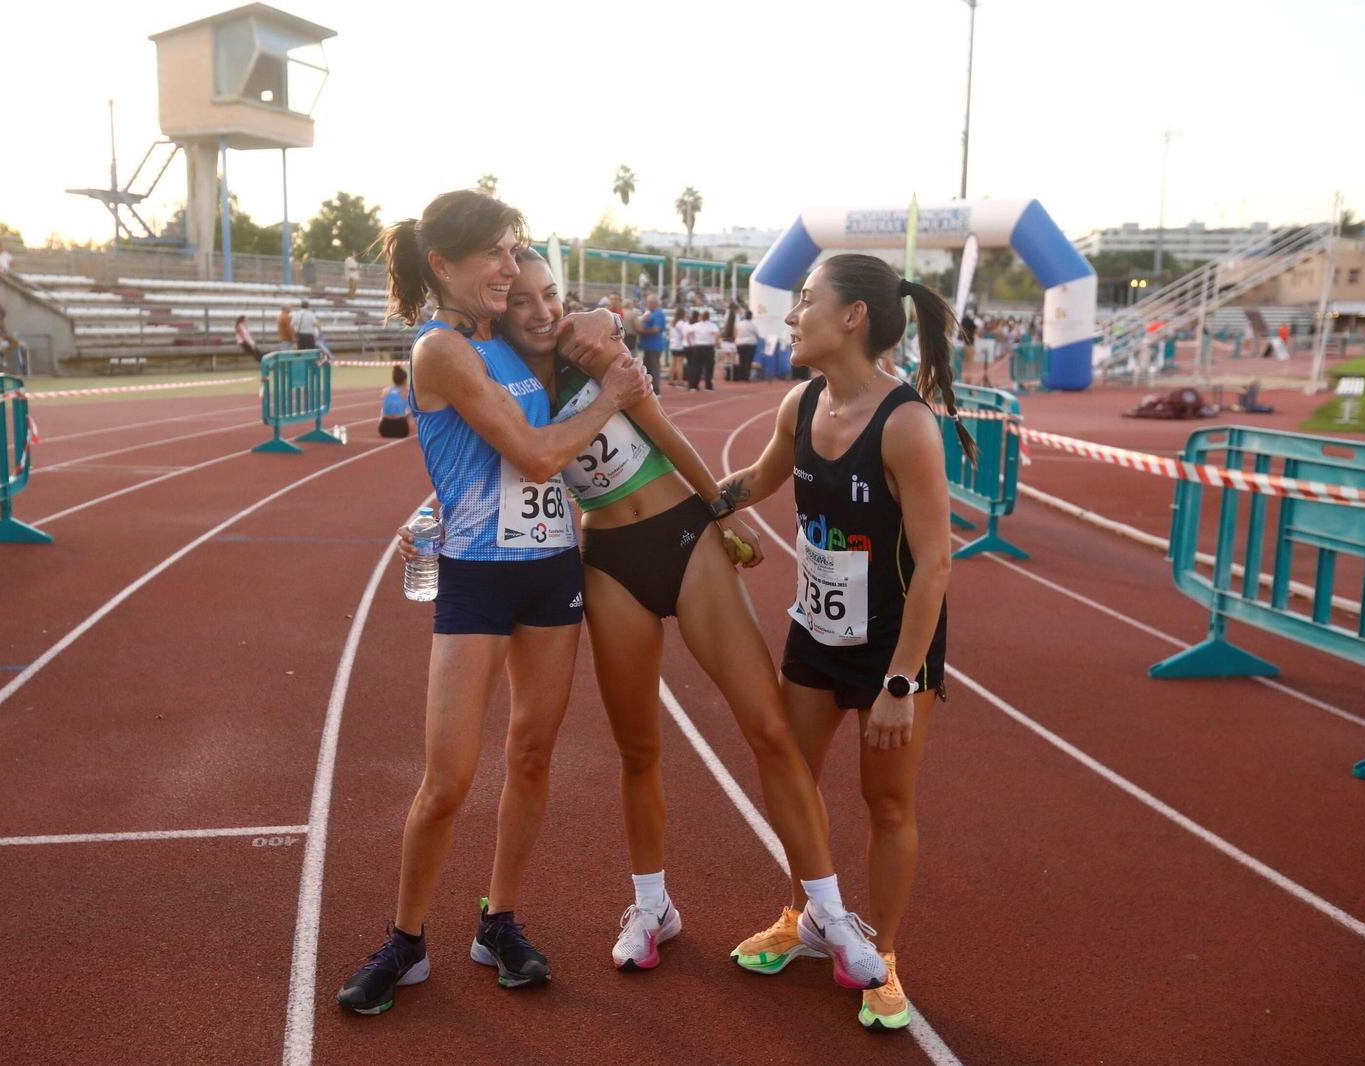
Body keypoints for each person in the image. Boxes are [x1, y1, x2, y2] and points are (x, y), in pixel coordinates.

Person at [398, 250, 897, 994]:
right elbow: (481, 464)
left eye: (551, 294)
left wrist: (723, 512)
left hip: (682, 537)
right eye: (524, 299)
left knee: (767, 727)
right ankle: (652, 906)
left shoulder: (590, 344)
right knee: (638, 747)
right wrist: (428, 513)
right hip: (606, 561)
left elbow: (660, 428)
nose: (543, 311)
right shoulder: (494, 371)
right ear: (499, 307)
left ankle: (827, 911)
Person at [337, 189, 652, 1015]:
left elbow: (499, 447)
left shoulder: (507, 337)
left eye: (515, 251)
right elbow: (536, 457)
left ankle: (499, 920)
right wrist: (613, 397)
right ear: (444, 264)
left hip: (551, 569)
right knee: (447, 780)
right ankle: (406, 940)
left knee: (533, 756)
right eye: (496, 254)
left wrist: (602, 328)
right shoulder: (440, 349)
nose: (511, 268)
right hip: (476, 577)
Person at [718, 254, 966, 1031]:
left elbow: (936, 563)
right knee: (791, 776)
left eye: (807, 301)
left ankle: (881, 956)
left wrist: (899, 683)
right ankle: (803, 918)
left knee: (886, 802)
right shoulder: (801, 402)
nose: (792, 316)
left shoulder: (907, 425)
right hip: (818, 631)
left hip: (894, 649)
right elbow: (756, 481)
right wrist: (681, 499)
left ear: (853, 317)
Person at [637, 294, 667, 395]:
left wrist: (642, 331)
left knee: (653, 368)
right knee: (648, 369)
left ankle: (656, 390)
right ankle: (649, 389)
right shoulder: (651, 313)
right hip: (648, 345)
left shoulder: (658, 314)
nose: (647, 304)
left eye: (648, 302)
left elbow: (656, 329)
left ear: (653, 303)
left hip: (654, 345)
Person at [687, 309, 720, 391]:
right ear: (709, 317)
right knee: (709, 367)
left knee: (696, 367)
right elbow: (717, 334)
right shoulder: (712, 325)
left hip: (698, 347)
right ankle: (708, 386)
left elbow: (687, 333)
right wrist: (715, 342)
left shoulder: (696, 325)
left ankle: (694, 386)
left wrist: (690, 343)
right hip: (708, 347)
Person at [378, 364, 412, 438]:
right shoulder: (406, 392)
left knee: (383, 410)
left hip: (384, 429)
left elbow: (385, 403)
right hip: (400, 429)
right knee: (413, 411)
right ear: (404, 380)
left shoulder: (385, 390)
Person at [734, 308, 759, 381]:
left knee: (741, 360)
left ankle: (741, 375)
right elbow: (757, 335)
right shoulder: (752, 325)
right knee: (748, 361)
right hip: (750, 344)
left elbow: (735, 333)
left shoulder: (739, 324)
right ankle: (746, 376)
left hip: (740, 343)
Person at [668, 306, 690, 387]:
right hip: (679, 344)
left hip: (673, 343)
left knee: (672, 363)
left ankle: (671, 380)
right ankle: (680, 380)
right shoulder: (681, 323)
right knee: (679, 363)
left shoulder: (672, 322)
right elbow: (684, 334)